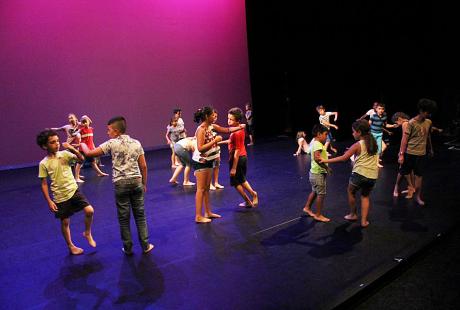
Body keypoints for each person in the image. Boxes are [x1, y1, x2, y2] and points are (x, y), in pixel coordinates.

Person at [80, 116, 154, 255]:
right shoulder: (136, 143)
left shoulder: (111, 143)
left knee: (123, 218)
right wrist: (144, 183)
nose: (107, 133)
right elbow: (143, 166)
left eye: (108, 130)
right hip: (136, 181)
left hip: (121, 184)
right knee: (140, 216)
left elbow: (90, 153)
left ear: (115, 131)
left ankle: (128, 248)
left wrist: (82, 143)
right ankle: (145, 245)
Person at [37, 129, 96, 255]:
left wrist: (73, 149)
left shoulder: (65, 154)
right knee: (65, 222)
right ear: (44, 146)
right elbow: (43, 183)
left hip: (73, 190)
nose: (57, 144)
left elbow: (81, 160)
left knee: (90, 210)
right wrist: (49, 201)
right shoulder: (43, 163)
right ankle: (71, 246)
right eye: (52, 142)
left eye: (57, 141)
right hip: (60, 196)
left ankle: (87, 232)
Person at [320, 120, 379, 228]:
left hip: (359, 174)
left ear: (359, 132)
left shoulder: (357, 144)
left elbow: (343, 158)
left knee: (351, 191)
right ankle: (364, 221)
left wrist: (326, 161)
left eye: (353, 132)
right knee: (365, 196)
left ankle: (353, 214)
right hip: (372, 176)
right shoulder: (373, 142)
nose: (352, 134)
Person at [192, 107, 245, 223]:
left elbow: (226, 130)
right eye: (212, 115)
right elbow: (200, 148)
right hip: (201, 162)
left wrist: (240, 127)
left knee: (206, 188)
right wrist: (215, 141)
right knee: (201, 189)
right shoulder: (201, 129)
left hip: (209, 160)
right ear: (207, 116)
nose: (214, 117)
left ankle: (208, 212)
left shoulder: (211, 126)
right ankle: (198, 216)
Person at [393, 99, 437, 205]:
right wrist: (402, 154)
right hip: (409, 153)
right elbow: (404, 139)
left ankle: (418, 196)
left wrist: (430, 148)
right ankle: (396, 186)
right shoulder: (411, 123)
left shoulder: (428, 122)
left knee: (419, 175)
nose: (429, 114)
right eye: (427, 112)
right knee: (402, 172)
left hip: (421, 154)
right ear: (421, 110)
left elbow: (428, 136)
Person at [226, 107, 258, 208]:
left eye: (231, 119)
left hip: (238, 159)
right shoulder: (238, 130)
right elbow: (232, 142)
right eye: (228, 118)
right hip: (242, 157)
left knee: (236, 183)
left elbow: (237, 150)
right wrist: (218, 142)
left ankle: (248, 200)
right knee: (242, 180)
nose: (228, 121)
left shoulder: (236, 132)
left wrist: (234, 167)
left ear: (237, 120)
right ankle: (253, 194)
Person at [302, 124, 331, 222]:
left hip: (314, 173)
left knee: (315, 191)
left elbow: (310, 153)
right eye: (325, 134)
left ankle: (307, 207)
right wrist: (326, 168)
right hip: (318, 173)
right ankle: (318, 215)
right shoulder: (318, 143)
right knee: (321, 194)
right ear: (319, 134)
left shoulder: (314, 142)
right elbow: (317, 158)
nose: (326, 136)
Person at [74, 115, 108, 182]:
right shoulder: (81, 130)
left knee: (93, 162)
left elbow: (91, 140)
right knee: (79, 163)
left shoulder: (91, 129)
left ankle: (99, 173)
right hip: (83, 149)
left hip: (89, 149)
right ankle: (76, 178)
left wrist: (85, 117)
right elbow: (75, 133)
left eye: (86, 121)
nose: (85, 123)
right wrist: (79, 124)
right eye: (83, 122)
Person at [369, 102, 398, 167]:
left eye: (382, 109)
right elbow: (369, 124)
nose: (381, 110)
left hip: (379, 134)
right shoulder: (373, 116)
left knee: (379, 149)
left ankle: (376, 161)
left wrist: (393, 126)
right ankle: (372, 159)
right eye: (379, 109)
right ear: (376, 109)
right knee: (371, 148)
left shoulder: (384, 117)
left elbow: (386, 125)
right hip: (373, 134)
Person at [210, 109, 224, 190]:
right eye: (213, 116)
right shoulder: (207, 126)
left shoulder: (215, 126)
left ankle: (216, 182)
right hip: (209, 151)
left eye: (216, 116)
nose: (215, 118)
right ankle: (210, 184)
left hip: (216, 149)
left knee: (217, 166)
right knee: (210, 167)